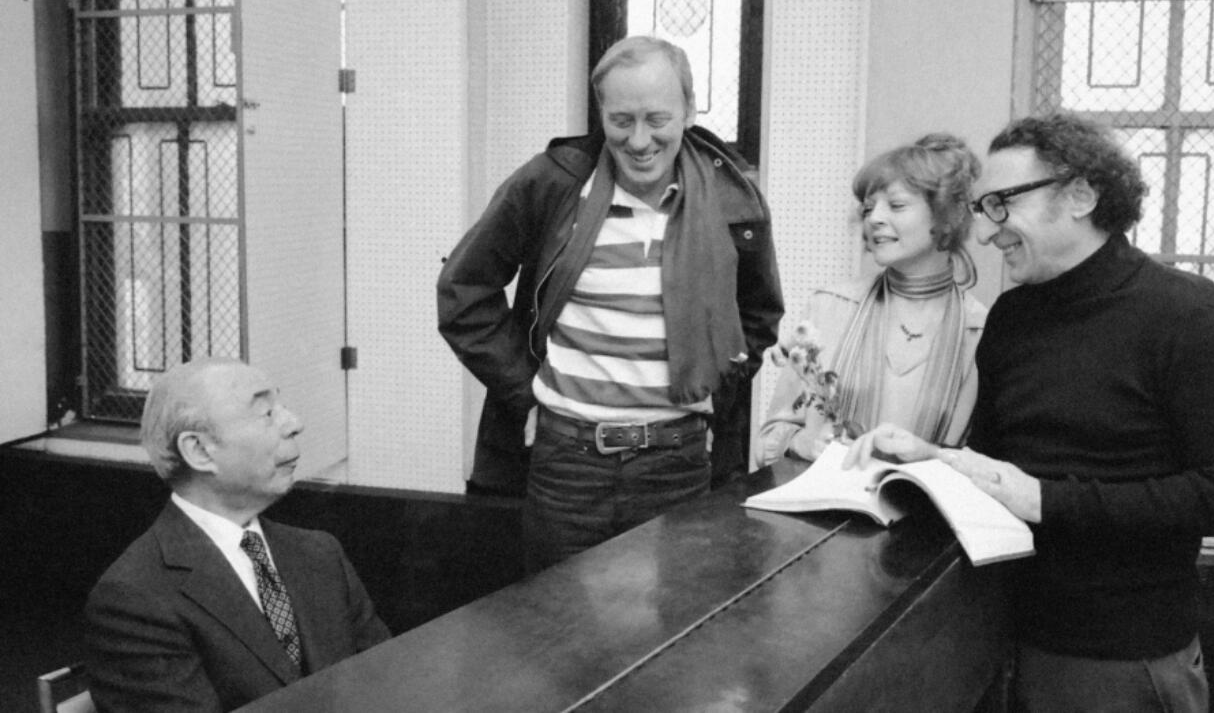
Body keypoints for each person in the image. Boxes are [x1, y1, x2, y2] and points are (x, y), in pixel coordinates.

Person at [848, 113, 1214, 711]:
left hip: (1120, 653)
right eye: (982, 207)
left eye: (1002, 203)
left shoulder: (1186, 314)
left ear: (1080, 195)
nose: (988, 229)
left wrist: (1047, 500)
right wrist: (937, 460)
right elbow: (1003, 468)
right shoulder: (1012, 318)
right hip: (999, 626)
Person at [437, 35, 784, 571]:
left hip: (680, 465)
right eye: (621, 120)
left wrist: (716, 386)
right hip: (567, 466)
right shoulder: (554, 183)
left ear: (690, 110)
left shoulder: (732, 198)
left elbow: (758, 318)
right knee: (559, 636)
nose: (639, 140)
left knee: (676, 638)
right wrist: (524, 389)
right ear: (601, 113)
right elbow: (464, 291)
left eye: (657, 118)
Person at [85, 358, 390, 712]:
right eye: (266, 414)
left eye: (283, 406)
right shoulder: (134, 599)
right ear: (199, 450)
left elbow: (386, 682)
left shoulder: (320, 554)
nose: (295, 424)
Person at [757, 134, 986, 466]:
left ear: (947, 216)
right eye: (868, 208)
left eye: (896, 205)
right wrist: (803, 443)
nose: (874, 218)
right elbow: (769, 438)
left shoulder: (980, 330)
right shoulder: (830, 307)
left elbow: (986, 463)